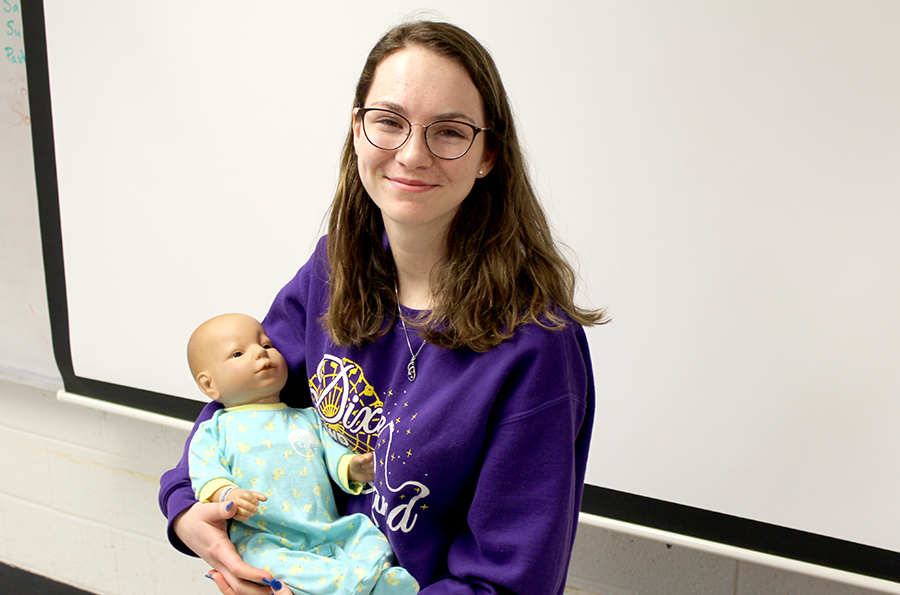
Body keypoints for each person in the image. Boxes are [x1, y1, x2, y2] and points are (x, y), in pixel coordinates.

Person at [159, 19, 607, 595]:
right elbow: (238, 399)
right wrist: (188, 511)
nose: (412, 154)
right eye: (390, 123)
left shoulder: (537, 342)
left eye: (449, 132)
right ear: (357, 130)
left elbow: (507, 585)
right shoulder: (333, 267)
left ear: (489, 154)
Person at [185, 313, 419, 594]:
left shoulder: (308, 418)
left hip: (327, 528)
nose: (261, 352)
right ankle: (363, 586)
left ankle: (357, 583)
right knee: (265, 565)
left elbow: (335, 455)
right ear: (210, 385)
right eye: (238, 353)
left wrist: (353, 467)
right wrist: (228, 495)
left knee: (370, 537)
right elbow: (206, 476)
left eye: (267, 345)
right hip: (264, 537)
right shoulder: (215, 430)